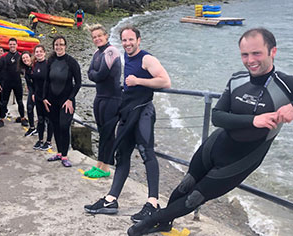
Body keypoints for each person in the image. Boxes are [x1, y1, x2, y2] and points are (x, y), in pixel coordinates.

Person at [128, 28, 293, 236]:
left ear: (273, 51)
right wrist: (255, 120)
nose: (250, 60)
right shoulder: (237, 79)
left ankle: (145, 225)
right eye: (245, 54)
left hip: (242, 159)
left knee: (195, 198)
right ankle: (164, 222)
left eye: (257, 53)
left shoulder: (286, 84)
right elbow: (218, 116)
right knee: (186, 184)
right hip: (215, 145)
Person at [84, 25, 171, 222]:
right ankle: (111, 200)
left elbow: (165, 81)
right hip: (127, 112)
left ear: (138, 40)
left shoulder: (146, 58)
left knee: (147, 154)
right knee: (122, 155)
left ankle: (153, 204)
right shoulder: (126, 58)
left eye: (131, 39)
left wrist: (139, 81)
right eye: (124, 40)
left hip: (143, 112)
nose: (127, 43)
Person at [84, 24, 122, 178]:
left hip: (112, 98)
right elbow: (90, 73)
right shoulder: (97, 53)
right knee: (102, 131)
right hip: (100, 96)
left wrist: (95, 74)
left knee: (107, 133)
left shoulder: (111, 51)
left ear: (106, 36)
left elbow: (99, 75)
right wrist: (95, 74)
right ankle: (99, 163)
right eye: (94, 37)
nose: (97, 39)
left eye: (99, 35)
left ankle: (105, 168)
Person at [44, 36, 81, 167]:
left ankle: (65, 156)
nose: (59, 47)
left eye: (61, 44)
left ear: (65, 46)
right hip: (52, 100)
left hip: (66, 101)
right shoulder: (51, 60)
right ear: (53, 46)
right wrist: (44, 98)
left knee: (64, 126)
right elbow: (47, 81)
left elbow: (78, 83)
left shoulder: (71, 62)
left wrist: (71, 99)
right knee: (55, 126)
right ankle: (59, 153)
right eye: (56, 44)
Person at [22, 45, 54, 150]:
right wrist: (34, 93)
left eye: (41, 51)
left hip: (48, 97)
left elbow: (51, 81)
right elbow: (33, 81)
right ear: (34, 54)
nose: (39, 53)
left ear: (44, 53)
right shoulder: (34, 65)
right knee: (40, 119)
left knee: (49, 120)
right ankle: (40, 140)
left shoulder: (49, 64)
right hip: (39, 96)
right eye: (37, 52)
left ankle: (48, 141)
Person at [0, 38, 28, 128]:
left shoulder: (20, 56)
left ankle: (22, 118)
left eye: (14, 44)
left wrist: (27, 83)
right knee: (4, 102)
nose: (12, 46)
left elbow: (26, 70)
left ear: (17, 45)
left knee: (20, 101)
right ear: (8, 45)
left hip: (17, 82)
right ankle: (1, 119)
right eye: (11, 44)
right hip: (6, 83)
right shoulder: (4, 57)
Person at [18, 51, 38, 137]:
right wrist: (32, 92)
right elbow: (29, 83)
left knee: (42, 111)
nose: (25, 59)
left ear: (31, 57)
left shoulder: (36, 66)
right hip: (32, 90)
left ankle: (42, 127)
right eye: (23, 58)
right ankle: (32, 127)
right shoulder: (25, 69)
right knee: (29, 107)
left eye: (27, 57)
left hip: (40, 90)